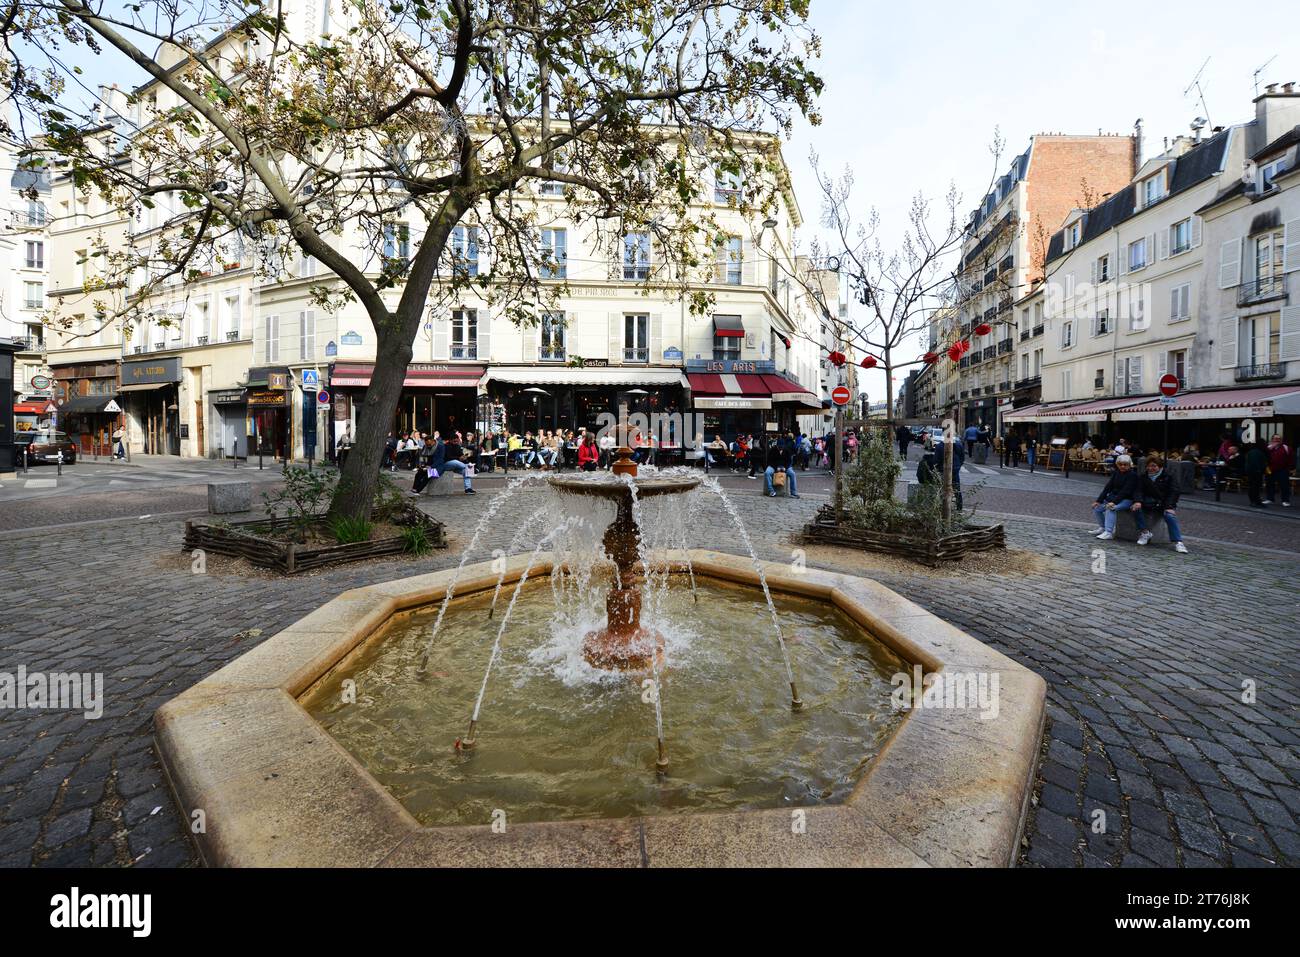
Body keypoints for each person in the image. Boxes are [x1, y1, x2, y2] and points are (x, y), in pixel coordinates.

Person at [1136, 454, 1188, 554]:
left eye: (1154, 466)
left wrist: (1169, 506)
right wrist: (1138, 501)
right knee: (1135, 508)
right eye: (1149, 466)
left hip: (1164, 503)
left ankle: (1178, 542)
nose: (1151, 468)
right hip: (1148, 503)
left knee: (1170, 516)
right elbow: (1138, 491)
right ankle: (1145, 532)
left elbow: (1174, 492)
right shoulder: (1143, 477)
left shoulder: (1168, 477)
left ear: (1160, 467)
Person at [1090, 454, 1141, 540]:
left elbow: (1125, 492)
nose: (1122, 466)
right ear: (1117, 464)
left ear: (1130, 465)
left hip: (1126, 499)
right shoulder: (1116, 473)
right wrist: (1098, 501)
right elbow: (1108, 487)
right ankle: (1102, 528)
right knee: (1097, 508)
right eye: (1120, 464)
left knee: (1111, 508)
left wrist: (1113, 502)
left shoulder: (1132, 475)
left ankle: (1108, 532)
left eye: (1125, 464)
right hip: (1114, 497)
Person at [764, 432, 800, 498]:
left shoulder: (787, 450)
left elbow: (789, 461)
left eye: (782, 447)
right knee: (767, 472)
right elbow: (769, 461)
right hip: (774, 466)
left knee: (792, 474)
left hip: (785, 466)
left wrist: (785, 468)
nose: (781, 448)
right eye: (779, 447)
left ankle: (793, 493)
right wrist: (775, 468)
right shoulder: (773, 450)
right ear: (777, 446)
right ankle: (771, 491)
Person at [1263, 434, 1293, 507]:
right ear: (1272, 439)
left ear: (1281, 440)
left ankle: (1285, 501)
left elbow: (1291, 458)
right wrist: (1269, 449)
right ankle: (1270, 499)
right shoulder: (1267, 448)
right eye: (1275, 438)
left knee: (1284, 485)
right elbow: (1263, 457)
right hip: (1270, 469)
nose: (1277, 440)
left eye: (1279, 439)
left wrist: (1290, 468)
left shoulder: (1286, 448)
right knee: (1269, 484)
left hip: (1283, 470)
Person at [1244, 441, 1268, 507]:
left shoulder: (1252, 451)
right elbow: (1256, 463)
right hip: (1255, 472)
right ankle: (1254, 501)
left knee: (1253, 487)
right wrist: (1259, 470)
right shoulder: (1257, 452)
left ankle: (1255, 501)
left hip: (1252, 471)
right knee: (1255, 487)